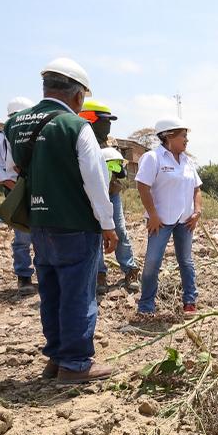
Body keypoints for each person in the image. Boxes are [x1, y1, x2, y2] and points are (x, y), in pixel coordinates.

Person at [3, 58, 118, 383]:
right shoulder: (75, 125)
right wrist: (107, 224)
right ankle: (75, 364)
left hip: (39, 223)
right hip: (75, 223)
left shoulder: (17, 123)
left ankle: (55, 358)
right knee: (78, 294)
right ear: (78, 95)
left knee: (51, 291)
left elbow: (11, 168)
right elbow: (95, 180)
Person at [135, 117, 202, 316]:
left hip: (185, 220)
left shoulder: (187, 160)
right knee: (153, 262)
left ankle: (190, 300)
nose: (186, 140)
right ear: (168, 136)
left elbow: (197, 188)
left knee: (186, 261)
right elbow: (142, 186)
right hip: (160, 221)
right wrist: (153, 215)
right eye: (183, 136)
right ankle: (146, 305)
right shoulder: (153, 158)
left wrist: (197, 212)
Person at [77, 99, 139, 294]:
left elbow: (121, 170)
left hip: (112, 193)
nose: (109, 125)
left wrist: (117, 167)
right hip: (88, 195)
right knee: (95, 234)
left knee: (119, 230)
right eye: (105, 120)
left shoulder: (111, 142)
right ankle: (99, 274)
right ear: (90, 119)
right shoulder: (79, 140)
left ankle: (130, 270)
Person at [0, 96, 36, 295]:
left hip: (36, 187)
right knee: (23, 235)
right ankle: (24, 276)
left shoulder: (34, 133)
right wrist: (16, 188)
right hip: (16, 189)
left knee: (43, 233)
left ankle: (45, 274)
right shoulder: (3, 136)